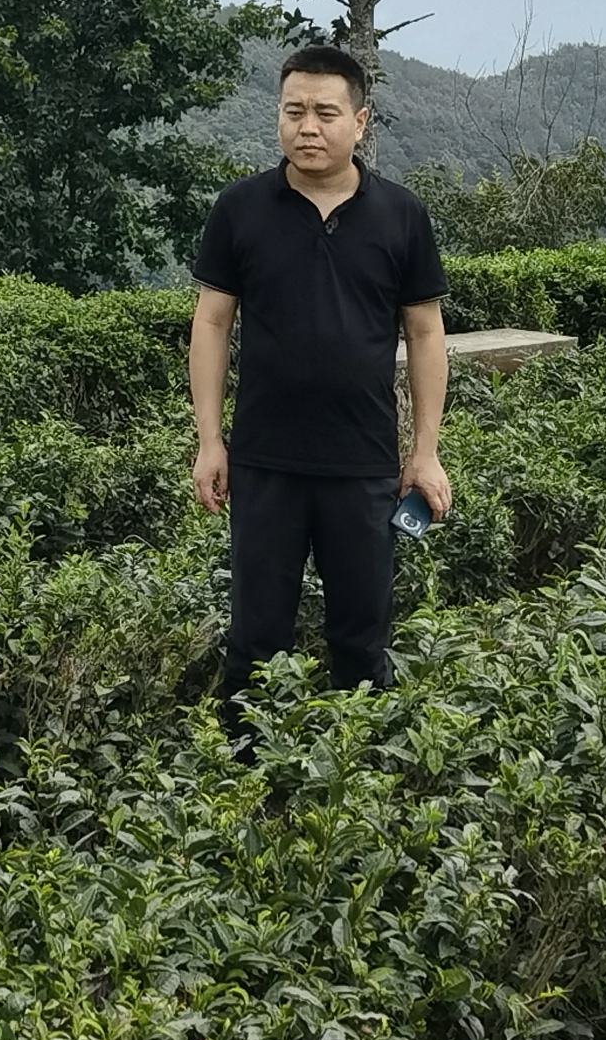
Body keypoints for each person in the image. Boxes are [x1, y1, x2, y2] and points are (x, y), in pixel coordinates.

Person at [189, 41, 453, 706]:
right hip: (263, 463)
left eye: (326, 114)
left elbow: (425, 334)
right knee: (254, 642)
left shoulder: (401, 215)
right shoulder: (241, 209)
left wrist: (425, 453)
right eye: (294, 111)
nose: (308, 127)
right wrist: (210, 441)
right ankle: (245, 762)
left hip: (363, 464)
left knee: (362, 642)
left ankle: (356, 762)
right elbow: (212, 323)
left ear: (360, 122)